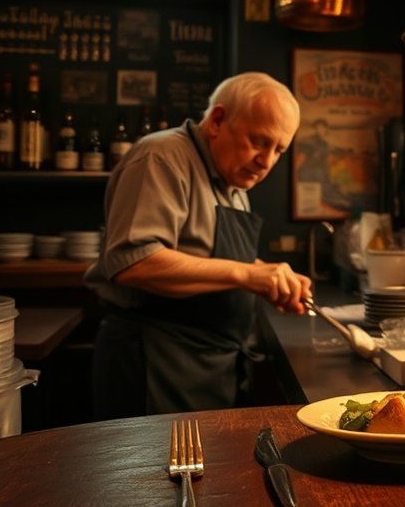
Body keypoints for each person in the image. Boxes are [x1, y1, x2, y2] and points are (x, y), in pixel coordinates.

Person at [84, 72, 312, 420]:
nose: (266, 161)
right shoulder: (162, 156)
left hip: (209, 365)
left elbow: (208, 254)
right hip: (156, 362)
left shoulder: (232, 180)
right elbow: (133, 262)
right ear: (218, 120)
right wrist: (247, 274)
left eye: (278, 150)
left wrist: (268, 277)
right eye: (258, 141)